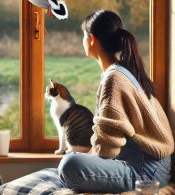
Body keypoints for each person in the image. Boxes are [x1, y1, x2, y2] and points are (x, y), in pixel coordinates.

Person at [56, 10, 174, 193]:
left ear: (92, 39)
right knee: (73, 161)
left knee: (69, 165)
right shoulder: (120, 71)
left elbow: (107, 148)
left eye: (83, 35)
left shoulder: (114, 78)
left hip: (146, 171)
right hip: (150, 165)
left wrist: (86, 158)